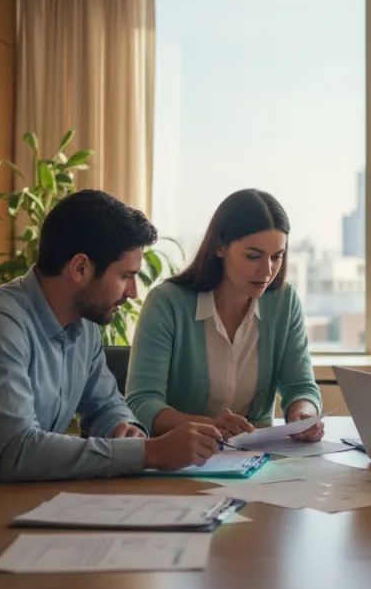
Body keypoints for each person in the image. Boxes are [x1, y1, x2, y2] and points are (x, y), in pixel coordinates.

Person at [0, 190, 222, 509]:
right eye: (125, 276)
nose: (133, 292)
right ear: (79, 268)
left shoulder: (84, 324)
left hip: (11, 506)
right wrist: (148, 453)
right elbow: (18, 451)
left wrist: (123, 429)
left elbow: (105, 404)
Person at [126, 189, 324, 442]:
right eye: (253, 256)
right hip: (182, 458)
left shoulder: (284, 302)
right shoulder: (167, 303)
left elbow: (300, 387)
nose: (267, 270)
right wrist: (210, 426)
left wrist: (305, 414)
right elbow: (141, 404)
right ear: (220, 247)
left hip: (259, 458)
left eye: (277, 257)